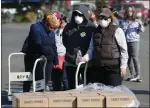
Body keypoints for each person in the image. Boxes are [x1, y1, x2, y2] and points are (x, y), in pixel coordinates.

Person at [80, 8, 128, 86]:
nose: (102, 20)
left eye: (105, 18)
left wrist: (123, 66)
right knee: (98, 93)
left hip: (113, 68)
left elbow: (124, 50)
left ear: (110, 19)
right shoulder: (95, 31)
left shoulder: (117, 30)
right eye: (100, 18)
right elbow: (91, 48)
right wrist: (85, 57)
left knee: (113, 93)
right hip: (98, 66)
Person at [22, 13, 59, 92]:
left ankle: (40, 95)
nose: (52, 30)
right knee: (31, 77)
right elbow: (37, 44)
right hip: (34, 57)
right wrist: (49, 53)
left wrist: (56, 58)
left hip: (48, 58)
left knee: (45, 79)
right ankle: (25, 94)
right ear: (46, 23)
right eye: (51, 27)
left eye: (54, 28)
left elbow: (53, 45)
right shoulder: (35, 27)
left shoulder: (51, 32)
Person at [62, 5, 96, 89]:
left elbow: (94, 44)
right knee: (71, 86)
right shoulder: (68, 27)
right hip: (70, 61)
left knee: (88, 86)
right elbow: (64, 41)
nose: (77, 17)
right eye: (76, 14)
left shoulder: (91, 27)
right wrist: (72, 51)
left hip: (87, 63)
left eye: (80, 15)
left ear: (85, 15)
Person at [120, 6, 144, 82]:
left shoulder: (136, 21)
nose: (129, 12)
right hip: (125, 41)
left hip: (134, 41)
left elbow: (142, 30)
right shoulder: (123, 21)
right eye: (128, 11)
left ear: (133, 12)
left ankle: (138, 75)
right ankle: (132, 75)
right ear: (126, 12)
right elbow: (121, 31)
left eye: (131, 11)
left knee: (135, 57)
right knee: (128, 59)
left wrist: (140, 24)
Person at [51, 11, 68, 91]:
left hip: (65, 57)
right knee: (55, 80)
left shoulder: (68, 30)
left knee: (65, 80)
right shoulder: (52, 31)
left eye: (56, 19)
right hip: (55, 58)